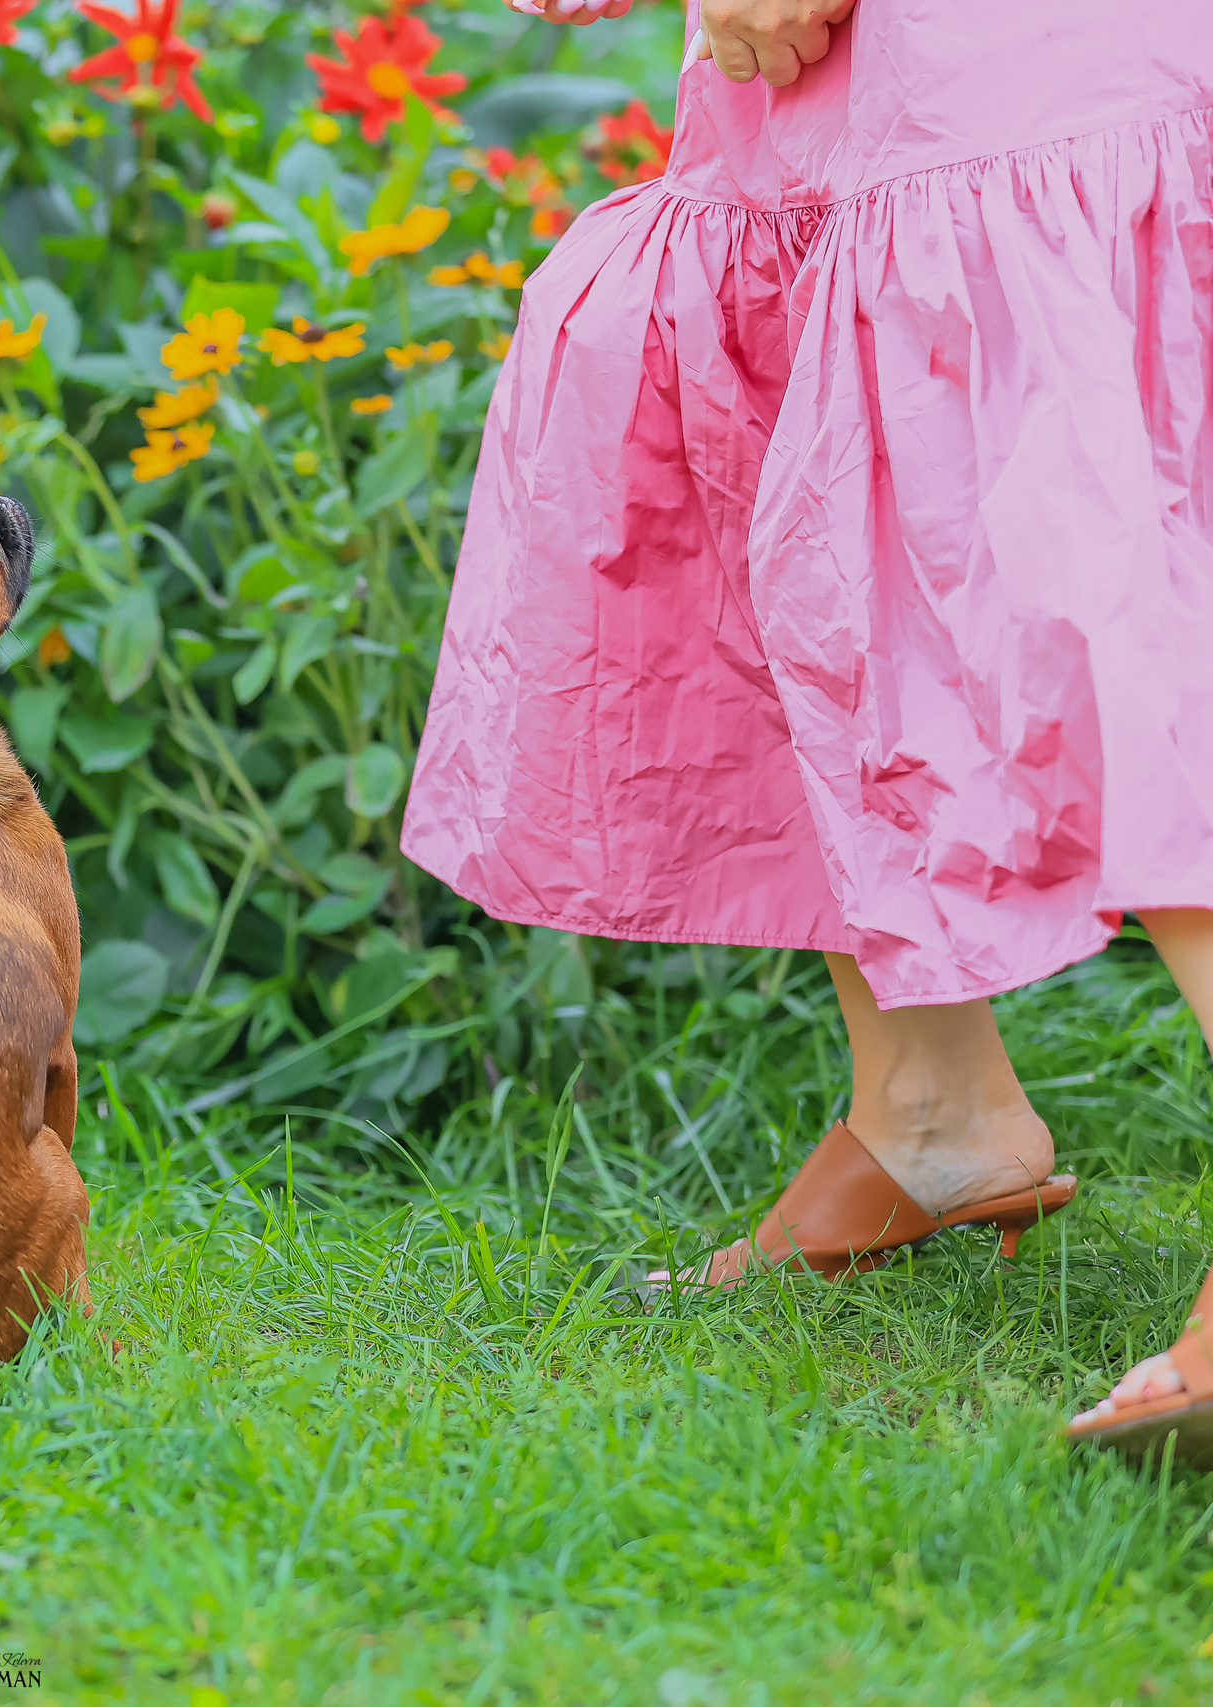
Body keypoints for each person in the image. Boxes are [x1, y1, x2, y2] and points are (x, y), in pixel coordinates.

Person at [399, 0, 1213, 1459]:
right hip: (855, 106)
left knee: (1085, 611)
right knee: (808, 514)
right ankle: (932, 1107)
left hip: (1006, 73)